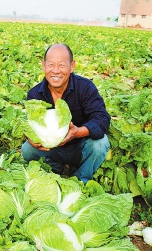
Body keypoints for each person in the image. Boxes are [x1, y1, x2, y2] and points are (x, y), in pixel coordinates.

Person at [21, 44, 111, 184]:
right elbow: (29, 124)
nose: (56, 71)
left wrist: (77, 132)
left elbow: (102, 119)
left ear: (72, 66)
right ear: (43, 66)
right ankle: (56, 169)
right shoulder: (34, 94)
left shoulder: (85, 88)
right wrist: (31, 138)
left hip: (81, 147)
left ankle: (81, 180)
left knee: (100, 144)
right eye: (51, 64)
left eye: (62, 65)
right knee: (27, 150)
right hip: (52, 148)